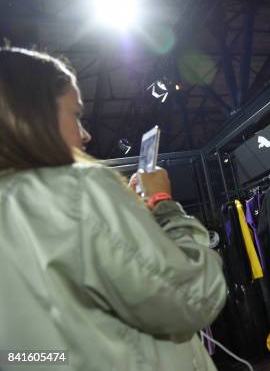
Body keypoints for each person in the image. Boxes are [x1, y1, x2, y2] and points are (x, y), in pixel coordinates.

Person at [0, 47, 227, 371]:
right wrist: (164, 206)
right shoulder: (79, 189)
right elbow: (195, 297)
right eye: (75, 115)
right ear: (32, 114)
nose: (86, 135)